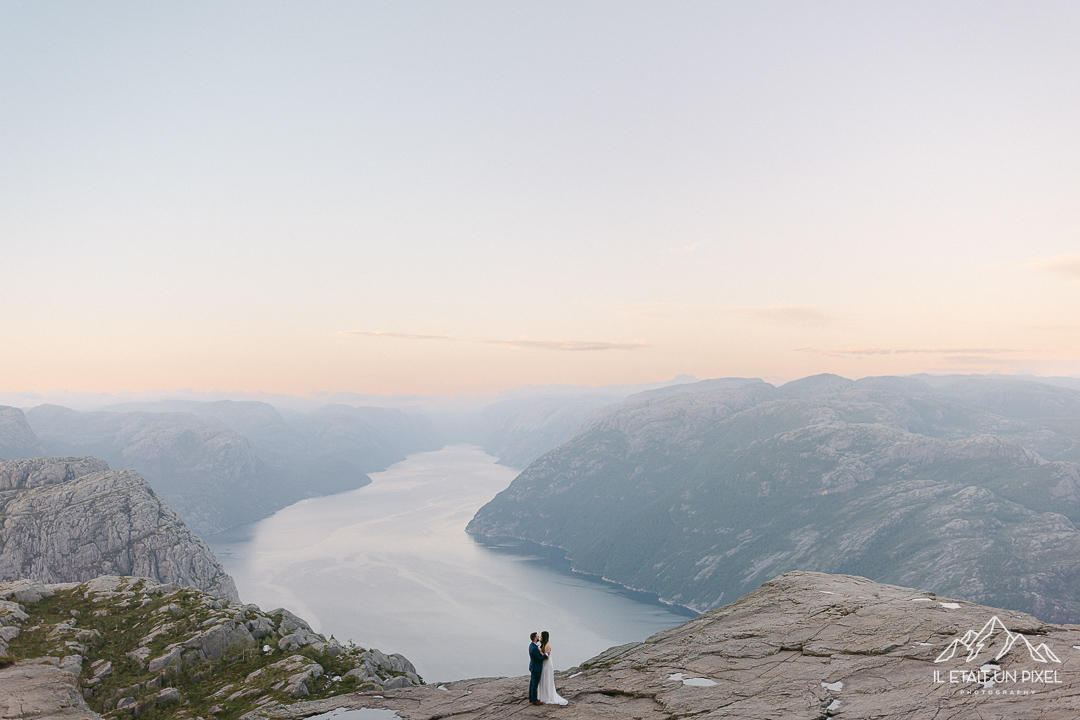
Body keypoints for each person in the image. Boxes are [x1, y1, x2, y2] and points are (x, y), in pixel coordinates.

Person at [537, 630, 568, 705]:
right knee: (543, 678)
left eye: (541, 636)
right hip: (544, 663)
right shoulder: (543, 644)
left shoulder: (547, 645)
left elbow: (547, 657)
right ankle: (543, 695)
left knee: (547, 678)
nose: (540, 637)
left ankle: (548, 696)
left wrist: (540, 651)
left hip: (547, 664)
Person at [528, 631, 547, 705]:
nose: (539, 637)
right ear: (535, 638)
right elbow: (539, 659)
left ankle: (531, 697)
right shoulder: (534, 648)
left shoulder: (532, 646)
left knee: (532, 683)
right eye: (538, 636)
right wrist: (545, 655)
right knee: (534, 684)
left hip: (533, 667)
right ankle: (534, 700)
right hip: (536, 668)